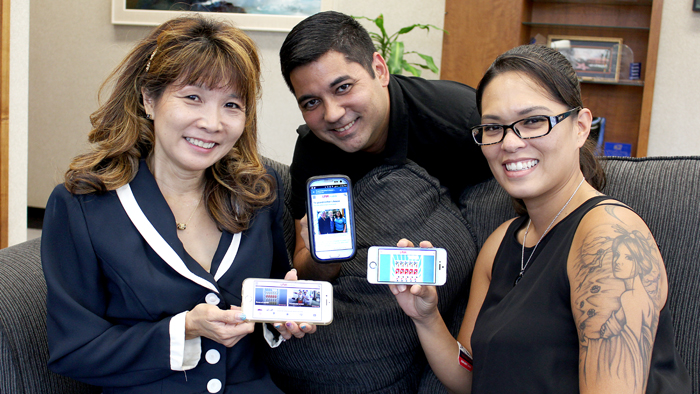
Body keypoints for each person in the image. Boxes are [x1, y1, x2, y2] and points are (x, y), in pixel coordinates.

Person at [391, 44, 691, 393]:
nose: (510, 143)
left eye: (533, 121)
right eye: (493, 128)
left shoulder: (609, 238)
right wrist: (425, 316)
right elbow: (471, 375)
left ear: (580, 127)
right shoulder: (502, 242)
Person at [41, 16, 315, 394]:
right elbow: (74, 351)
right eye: (193, 98)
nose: (213, 122)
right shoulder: (82, 206)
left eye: (232, 104)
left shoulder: (255, 195)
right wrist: (183, 328)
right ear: (148, 99)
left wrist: (281, 322)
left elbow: (267, 298)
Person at [280, 10, 492, 281]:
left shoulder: (461, 122)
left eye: (343, 87)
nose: (332, 114)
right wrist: (324, 258)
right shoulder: (314, 150)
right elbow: (302, 262)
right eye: (311, 102)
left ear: (379, 70)